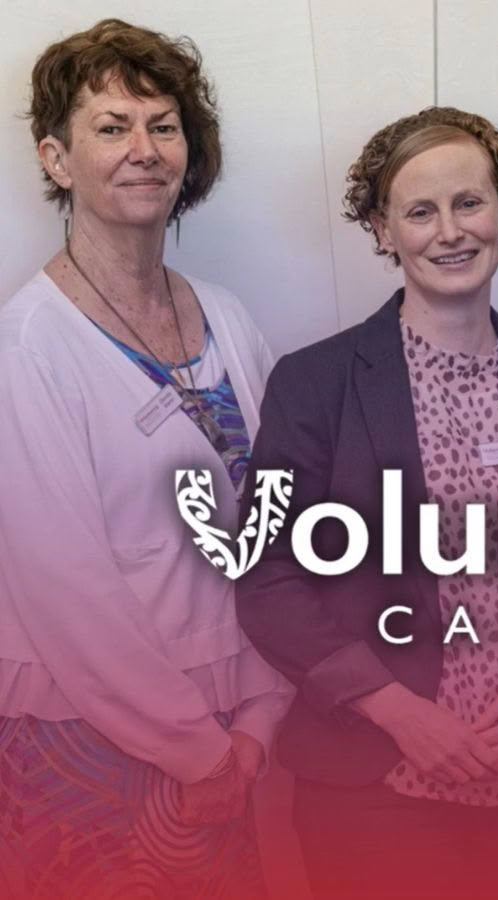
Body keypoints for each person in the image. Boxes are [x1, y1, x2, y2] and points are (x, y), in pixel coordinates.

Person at [235, 106, 498, 899]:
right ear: (382, 230)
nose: (450, 231)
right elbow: (266, 578)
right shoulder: (315, 385)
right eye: (419, 211)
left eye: (469, 202)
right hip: (375, 788)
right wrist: (396, 709)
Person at [0, 18, 292, 899]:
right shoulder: (30, 345)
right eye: (111, 125)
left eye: (164, 125)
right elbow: (65, 591)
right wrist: (199, 754)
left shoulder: (228, 316)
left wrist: (260, 715)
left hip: (231, 724)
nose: (144, 149)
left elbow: (286, 521)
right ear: (56, 160)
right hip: (92, 739)